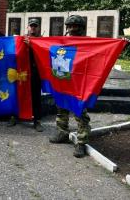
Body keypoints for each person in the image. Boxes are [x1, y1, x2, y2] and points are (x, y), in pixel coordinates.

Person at [49, 15, 90, 158]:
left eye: (76, 26)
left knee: (80, 113)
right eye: (70, 26)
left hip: (79, 84)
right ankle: (62, 133)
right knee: (61, 109)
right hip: (64, 80)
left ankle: (81, 142)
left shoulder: (88, 43)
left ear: (81, 28)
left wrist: (121, 45)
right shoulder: (62, 42)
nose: (73, 29)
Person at [24, 18, 44, 132]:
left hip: (36, 72)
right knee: (20, 94)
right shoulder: (22, 39)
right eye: (31, 26)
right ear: (28, 27)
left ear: (38, 28)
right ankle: (16, 116)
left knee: (36, 96)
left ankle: (37, 121)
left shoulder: (42, 40)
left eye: (35, 26)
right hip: (23, 71)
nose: (33, 28)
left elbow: (44, 54)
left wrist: (33, 45)